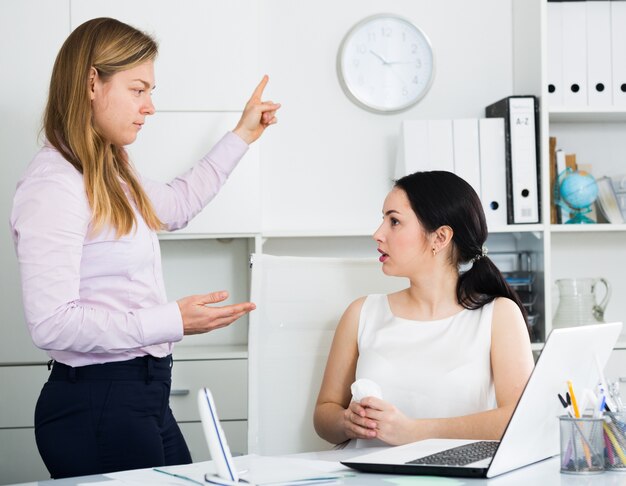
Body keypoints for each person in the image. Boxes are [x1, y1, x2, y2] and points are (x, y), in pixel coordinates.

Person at [9, 17, 280, 479]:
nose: (149, 107)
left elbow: (175, 206)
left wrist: (242, 135)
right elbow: (52, 324)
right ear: (93, 82)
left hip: (140, 394)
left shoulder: (110, 172)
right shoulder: (55, 185)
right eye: (139, 90)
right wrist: (172, 319)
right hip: (98, 402)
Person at [313, 171, 534, 448]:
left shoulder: (498, 315)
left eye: (394, 221)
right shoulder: (362, 313)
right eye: (383, 219)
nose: (377, 234)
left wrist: (414, 431)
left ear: (440, 238)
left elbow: (520, 418)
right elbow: (324, 414)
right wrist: (346, 421)